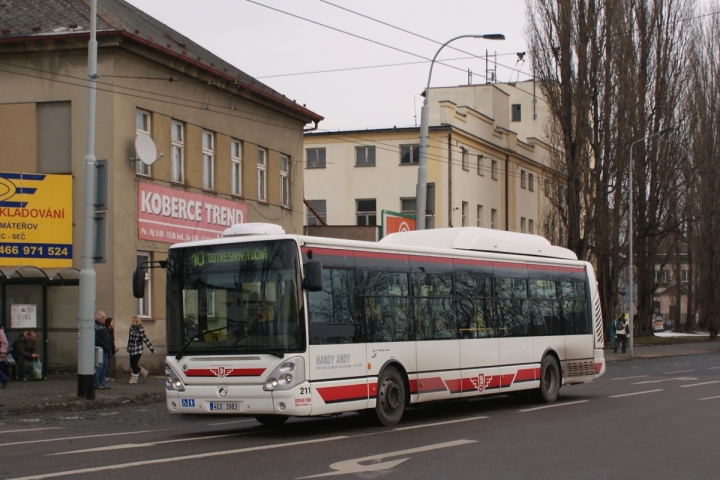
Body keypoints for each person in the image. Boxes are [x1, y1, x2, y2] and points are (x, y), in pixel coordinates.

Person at [127, 315, 155, 384]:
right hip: (132, 348)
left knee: (134, 364)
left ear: (137, 322)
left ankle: (133, 379)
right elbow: (129, 338)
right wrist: (128, 347)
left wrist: (151, 348)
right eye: (132, 321)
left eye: (134, 321)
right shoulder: (131, 328)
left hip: (138, 348)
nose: (132, 322)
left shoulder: (140, 329)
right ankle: (144, 372)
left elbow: (145, 339)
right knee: (131, 364)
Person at [94, 311, 112, 390]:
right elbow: (95, 338)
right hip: (101, 349)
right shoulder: (96, 326)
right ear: (98, 318)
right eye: (102, 317)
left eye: (104, 317)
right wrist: (103, 343)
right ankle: (97, 383)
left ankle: (102, 383)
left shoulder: (103, 326)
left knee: (105, 367)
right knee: (99, 367)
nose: (104, 318)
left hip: (106, 349)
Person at [105, 317, 116, 382]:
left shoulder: (111, 330)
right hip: (107, 347)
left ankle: (106, 375)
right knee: (105, 363)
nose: (113, 323)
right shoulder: (106, 329)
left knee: (108, 362)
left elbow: (112, 340)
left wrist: (113, 349)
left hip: (110, 347)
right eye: (112, 322)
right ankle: (105, 375)